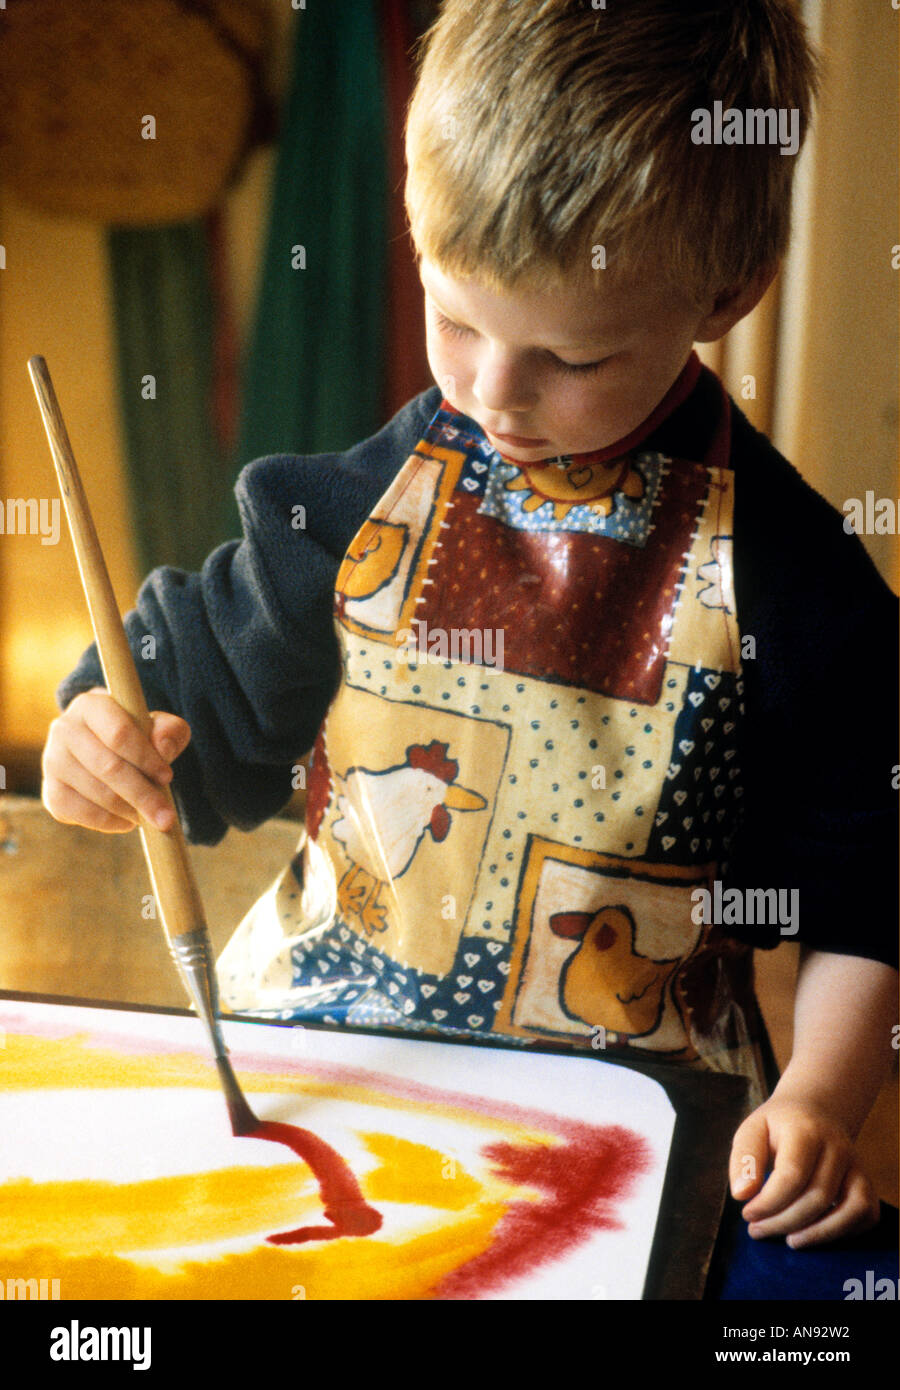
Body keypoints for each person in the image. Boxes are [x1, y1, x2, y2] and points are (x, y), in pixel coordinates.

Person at [43, 0, 897, 1292]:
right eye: (455, 319)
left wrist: (823, 1103)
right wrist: (102, 739)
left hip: (635, 1112)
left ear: (730, 291)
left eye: (569, 354)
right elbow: (179, 701)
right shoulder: (352, 508)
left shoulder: (799, 577)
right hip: (316, 1073)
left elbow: (867, 886)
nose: (493, 393)